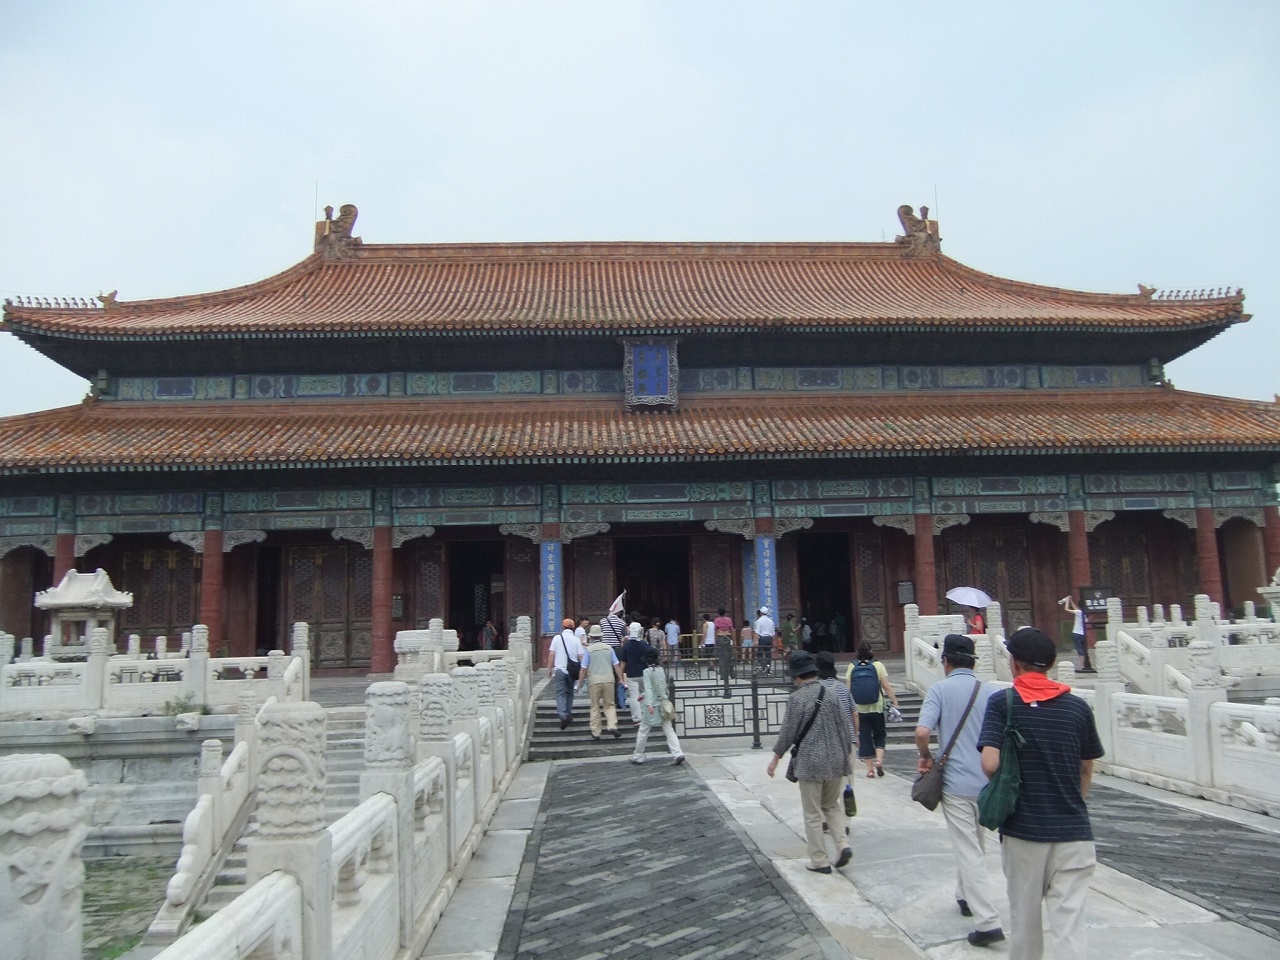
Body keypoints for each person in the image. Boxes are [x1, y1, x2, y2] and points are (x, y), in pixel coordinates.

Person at [978, 627, 1104, 960]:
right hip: (1074, 830)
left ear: (1014, 662)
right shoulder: (1077, 707)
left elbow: (989, 764)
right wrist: (1074, 803)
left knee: (1025, 921)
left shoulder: (1003, 703)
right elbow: (1086, 767)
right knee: (1071, 924)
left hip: (1025, 830)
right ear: (1051, 664)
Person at [915, 634, 1004, 947]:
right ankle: (964, 895)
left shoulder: (939, 690)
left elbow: (922, 731)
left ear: (946, 662)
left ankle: (988, 921)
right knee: (976, 844)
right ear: (973, 662)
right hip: (987, 780)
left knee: (968, 850)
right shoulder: (991, 692)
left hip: (955, 783)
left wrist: (925, 754)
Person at [766, 651, 853, 874]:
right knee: (831, 805)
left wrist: (776, 758)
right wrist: (845, 754)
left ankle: (819, 860)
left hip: (811, 761)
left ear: (797, 676)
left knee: (813, 813)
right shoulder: (831, 694)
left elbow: (788, 733)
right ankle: (843, 844)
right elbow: (845, 727)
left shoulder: (796, 699)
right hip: (835, 758)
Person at [847, 641, 900, 777]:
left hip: (859, 709)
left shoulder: (852, 667)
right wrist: (895, 702)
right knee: (879, 734)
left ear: (858, 653)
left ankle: (870, 770)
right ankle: (879, 761)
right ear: (871, 652)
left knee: (864, 737)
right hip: (877, 707)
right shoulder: (878, 665)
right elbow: (886, 687)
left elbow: (848, 690)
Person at [631, 647, 685, 765]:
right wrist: (645, 695)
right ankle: (678, 753)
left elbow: (649, 688)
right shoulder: (661, 670)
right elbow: (662, 688)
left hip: (653, 705)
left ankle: (638, 755)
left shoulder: (647, 672)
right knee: (669, 730)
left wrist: (648, 702)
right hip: (663, 704)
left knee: (643, 731)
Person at [578, 624, 624, 740]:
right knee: (610, 704)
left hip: (594, 681)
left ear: (590, 637)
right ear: (601, 637)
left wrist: (580, 682)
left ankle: (596, 732)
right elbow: (616, 665)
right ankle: (612, 725)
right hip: (609, 679)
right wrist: (621, 679)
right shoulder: (609, 648)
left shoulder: (588, 650)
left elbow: (583, 668)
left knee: (595, 706)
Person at [548, 618, 583, 730]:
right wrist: (583, 670)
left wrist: (549, 668)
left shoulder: (557, 638)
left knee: (560, 693)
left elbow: (552, 654)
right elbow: (581, 656)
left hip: (560, 669)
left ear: (563, 627)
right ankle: (568, 713)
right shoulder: (576, 640)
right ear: (573, 628)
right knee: (570, 693)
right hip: (572, 671)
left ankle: (562, 715)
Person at [620, 622, 655, 724]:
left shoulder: (626, 645)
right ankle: (645, 714)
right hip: (644, 673)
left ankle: (637, 718)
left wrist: (620, 675)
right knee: (645, 694)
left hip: (631, 674)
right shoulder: (644, 644)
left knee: (633, 696)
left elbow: (623, 662)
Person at [1060, 596, 1088, 670]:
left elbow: (1066, 609)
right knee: (1083, 649)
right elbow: (1076, 609)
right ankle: (1085, 664)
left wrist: (1067, 601)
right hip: (1083, 634)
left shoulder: (1079, 612)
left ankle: (1082, 666)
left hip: (1076, 633)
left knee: (1080, 650)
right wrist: (1071, 601)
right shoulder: (1085, 614)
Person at [713, 607, 735, 682]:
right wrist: (734, 640)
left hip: (720, 637)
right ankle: (732, 674)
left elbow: (716, 631)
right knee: (729, 657)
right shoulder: (729, 619)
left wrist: (715, 641)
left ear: (718, 613)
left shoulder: (717, 620)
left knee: (721, 657)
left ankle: (723, 675)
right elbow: (732, 630)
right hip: (728, 637)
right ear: (725, 612)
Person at [754, 606, 776, 672]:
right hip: (770, 638)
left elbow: (757, 632)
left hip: (763, 638)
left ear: (761, 613)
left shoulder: (759, 621)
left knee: (760, 654)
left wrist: (755, 641)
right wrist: (773, 641)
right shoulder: (771, 621)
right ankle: (768, 668)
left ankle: (765, 665)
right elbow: (773, 633)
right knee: (768, 654)